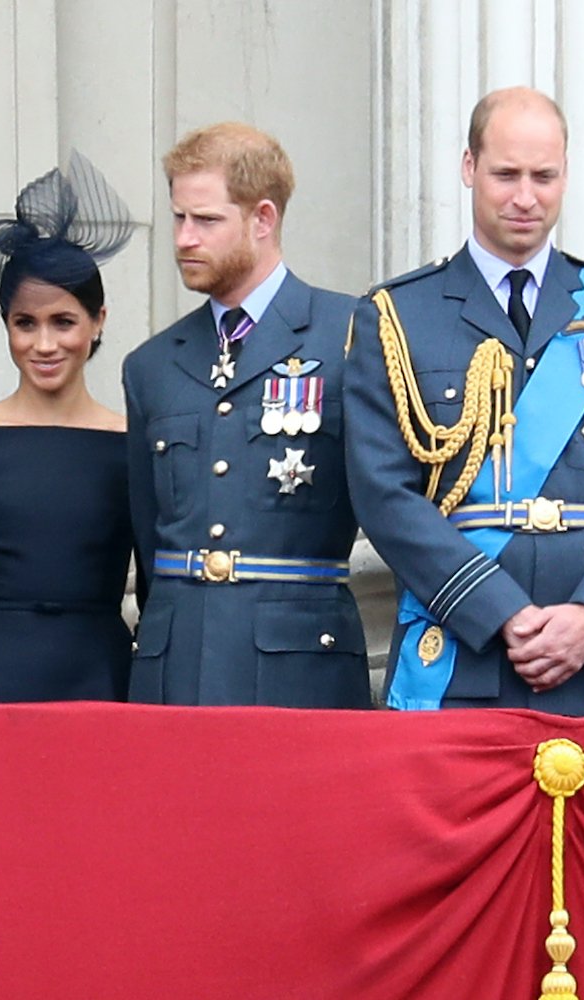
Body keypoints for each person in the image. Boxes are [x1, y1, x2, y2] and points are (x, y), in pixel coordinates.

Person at [345, 87, 584, 715]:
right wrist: (496, 609)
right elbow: (382, 493)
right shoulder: (398, 315)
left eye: (543, 176)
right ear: (469, 167)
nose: (525, 197)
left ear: (565, 174)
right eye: (506, 174)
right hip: (458, 653)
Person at [122, 123, 370, 707]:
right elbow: (148, 533)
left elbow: (391, 503)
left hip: (300, 666)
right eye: (179, 217)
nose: (184, 237)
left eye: (206, 220)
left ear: (263, 219)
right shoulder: (151, 365)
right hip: (176, 664)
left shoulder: (352, 334)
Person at [0, 152, 137, 702]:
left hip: (105, 687)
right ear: (6, 325)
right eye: (25, 324)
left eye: (64, 322)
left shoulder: (136, 447)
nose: (44, 344)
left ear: (97, 321)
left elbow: (160, 600)